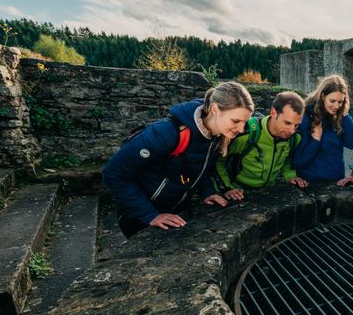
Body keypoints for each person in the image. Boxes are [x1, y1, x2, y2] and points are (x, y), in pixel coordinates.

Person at [103, 81, 254, 237]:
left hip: (177, 213)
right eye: (236, 121)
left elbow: (198, 165)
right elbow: (113, 173)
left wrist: (207, 191)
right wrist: (150, 215)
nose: (241, 129)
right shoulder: (167, 133)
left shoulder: (218, 134)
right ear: (215, 109)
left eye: (244, 122)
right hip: (141, 218)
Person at [214, 91, 307, 200]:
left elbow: (287, 159)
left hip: (270, 193)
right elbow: (218, 160)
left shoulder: (294, 138)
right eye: (287, 123)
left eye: (296, 125)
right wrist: (227, 188)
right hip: (240, 192)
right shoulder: (246, 133)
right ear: (273, 113)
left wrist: (290, 176)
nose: (292, 130)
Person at [293, 75, 353, 183]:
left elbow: (352, 143)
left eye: (340, 102)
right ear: (323, 96)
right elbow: (298, 162)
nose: (337, 106)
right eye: (332, 101)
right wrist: (315, 140)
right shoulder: (306, 117)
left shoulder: (339, 115)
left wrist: (346, 115)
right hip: (311, 184)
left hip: (336, 181)